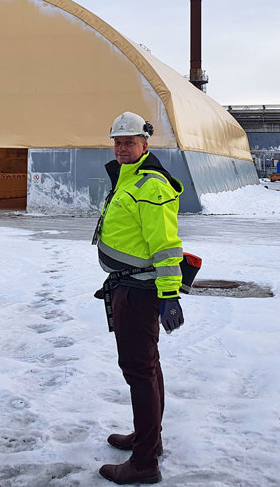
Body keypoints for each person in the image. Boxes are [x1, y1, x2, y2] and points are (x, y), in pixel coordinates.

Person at [93, 111, 185, 485]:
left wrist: (169, 295)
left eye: (129, 142)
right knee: (147, 366)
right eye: (117, 142)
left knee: (139, 371)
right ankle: (150, 438)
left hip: (140, 290)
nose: (122, 148)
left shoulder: (150, 186)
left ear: (146, 145)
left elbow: (166, 247)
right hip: (127, 286)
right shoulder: (129, 180)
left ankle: (145, 462)